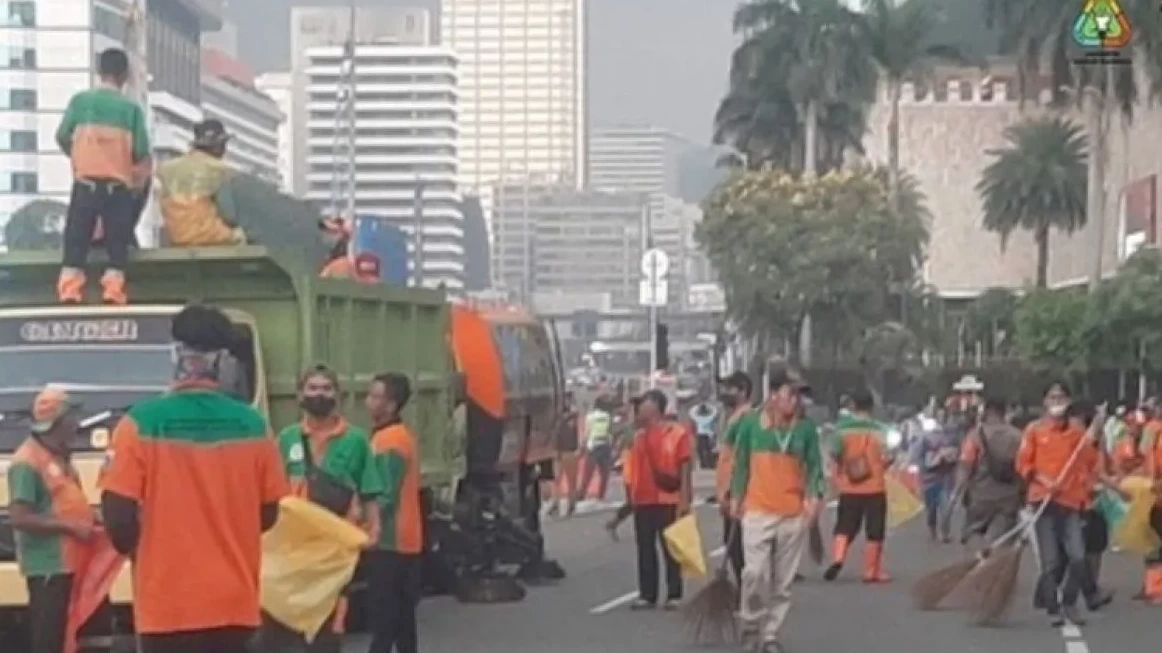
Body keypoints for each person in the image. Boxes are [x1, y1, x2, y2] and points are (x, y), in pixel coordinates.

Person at [100, 305, 288, 653]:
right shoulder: (254, 426)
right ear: (224, 362)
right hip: (234, 603)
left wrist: (151, 548)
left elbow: (117, 516)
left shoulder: (139, 424)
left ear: (174, 355)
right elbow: (269, 514)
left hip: (166, 605)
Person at [263, 365, 384, 652]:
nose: (320, 394)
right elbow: (272, 493)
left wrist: (375, 529)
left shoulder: (356, 441)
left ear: (337, 396)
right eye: (313, 388)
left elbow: (369, 492)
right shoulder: (287, 439)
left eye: (327, 389)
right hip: (292, 550)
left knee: (327, 630)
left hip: (334, 552)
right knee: (282, 624)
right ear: (300, 395)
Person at [730, 373, 825, 653]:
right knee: (754, 573)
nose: (795, 401)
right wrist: (735, 497)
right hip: (757, 510)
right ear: (773, 395)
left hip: (792, 513)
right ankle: (750, 625)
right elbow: (741, 463)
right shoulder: (751, 424)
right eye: (790, 394)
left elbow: (815, 468)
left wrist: (814, 498)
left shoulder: (806, 429)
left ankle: (770, 634)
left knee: (783, 582)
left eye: (798, 396)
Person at [55, 48, 152, 305]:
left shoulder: (80, 102)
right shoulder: (131, 110)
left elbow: (62, 136)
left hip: (84, 184)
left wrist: (79, 155)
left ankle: (69, 291)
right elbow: (141, 151)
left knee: (76, 241)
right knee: (116, 245)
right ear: (125, 75)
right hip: (117, 188)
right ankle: (113, 291)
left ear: (99, 71)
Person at [1016, 382, 1113, 627]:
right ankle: (1054, 609)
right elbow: (1023, 464)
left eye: (1061, 397)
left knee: (1078, 555)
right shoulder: (1034, 430)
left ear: (1068, 401)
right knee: (1051, 561)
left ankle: (1081, 598)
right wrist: (1044, 480)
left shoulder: (1077, 433)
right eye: (1052, 397)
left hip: (1070, 502)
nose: (1056, 401)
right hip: (1043, 501)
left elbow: (1088, 460)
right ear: (1045, 401)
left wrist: (1096, 430)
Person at [7, 387, 96, 653]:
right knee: (50, 637)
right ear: (58, 423)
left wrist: (93, 517)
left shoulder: (59, 455)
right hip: (48, 566)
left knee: (75, 634)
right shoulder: (26, 462)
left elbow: (65, 502)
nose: (77, 424)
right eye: (72, 418)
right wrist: (70, 526)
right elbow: (19, 517)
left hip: (71, 563)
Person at [366, 373, 424, 653]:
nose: (368, 402)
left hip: (391, 539)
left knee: (385, 619)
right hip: (405, 539)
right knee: (402, 620)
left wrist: (360, 522)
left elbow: (385, 493)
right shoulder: (395, 435)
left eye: (375, 396)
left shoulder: (390, 440)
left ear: (390, 405)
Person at [628, 389, 692, 610]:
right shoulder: (638, 436)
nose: (639, 409)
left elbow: (685, 466)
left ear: (656, 406)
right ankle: (647, 594)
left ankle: (674, 593)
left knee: (670, 549)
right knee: (645, 548)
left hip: (668, 498)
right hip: (643, 499)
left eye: (643, 404)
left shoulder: (676, 433)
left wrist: (685, 498)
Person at [824, 389, 892, 583]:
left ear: (852, 406)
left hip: (849, 487)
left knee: (845, 525)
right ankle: (871, 571)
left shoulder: (841, 430)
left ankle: (838, 558)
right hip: (875, 487)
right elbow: (889, 456)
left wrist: (839, 474)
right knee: (875, 529)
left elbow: (834, 454)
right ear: (872, 407)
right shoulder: (881, 430)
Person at [155, 119, 247, 247]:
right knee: (242, 236)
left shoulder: (167, 169)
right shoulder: (220, 170)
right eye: (224, 144)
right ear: (217, 146)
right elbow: (229, 215)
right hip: (211, 236)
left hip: (176, 238)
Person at [953, 397, 1022, 547]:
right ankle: (995, 559)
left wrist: (956, 495)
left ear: (986, 412)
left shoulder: (975, 435)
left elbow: (965, 467)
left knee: (973, 537)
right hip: (1009, 499)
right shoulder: (1018, 436)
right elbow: (1025, 469)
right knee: (1002, 542)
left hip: (980, 498)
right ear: (1004, 412)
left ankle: (978, 558)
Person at [715, 372, 754, 584]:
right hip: (729, 490)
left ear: (743, 391)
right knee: (733, 542)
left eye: (730, 389)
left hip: (737, 491)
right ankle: (745, 587)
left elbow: (743, 457)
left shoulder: (746, 419)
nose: (724, 393)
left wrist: (734, 490)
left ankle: (746, 587)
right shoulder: (734, 417)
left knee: (738, 544)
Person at [911, 411, 959, 542]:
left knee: (946, 507)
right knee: (931, 509)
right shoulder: (923, 438)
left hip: (945, 478)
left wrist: (948, 458)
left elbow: (956, 455)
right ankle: (932, 530)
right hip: (929, 480)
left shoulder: (950, 436)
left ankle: (945, 533)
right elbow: (916, 457)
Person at [547, 392, 581, 518]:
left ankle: (571, 503)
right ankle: (556, 503)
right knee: (556, 479)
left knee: (570, 480)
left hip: (568, 451)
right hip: (559, 451)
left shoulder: (570, 416)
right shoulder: (558, 416)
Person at [578, 396, 615, 503]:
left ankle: (581, 495)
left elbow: (587, 432)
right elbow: (610, 432)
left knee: (587, 473)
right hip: (605, 445)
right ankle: (601, 495)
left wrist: (582, 446)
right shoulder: (608, 416)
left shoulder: (590, 416)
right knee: (604, 473)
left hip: (593, 446)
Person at [690, 400, 719, 469]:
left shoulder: (699, 417)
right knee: (705, 450)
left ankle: (706, 464)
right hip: (705, 435)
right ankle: (707, 464)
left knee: (704, 450)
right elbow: (715, 412)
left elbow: (691, 412)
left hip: (704, 435)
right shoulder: (709, 417)